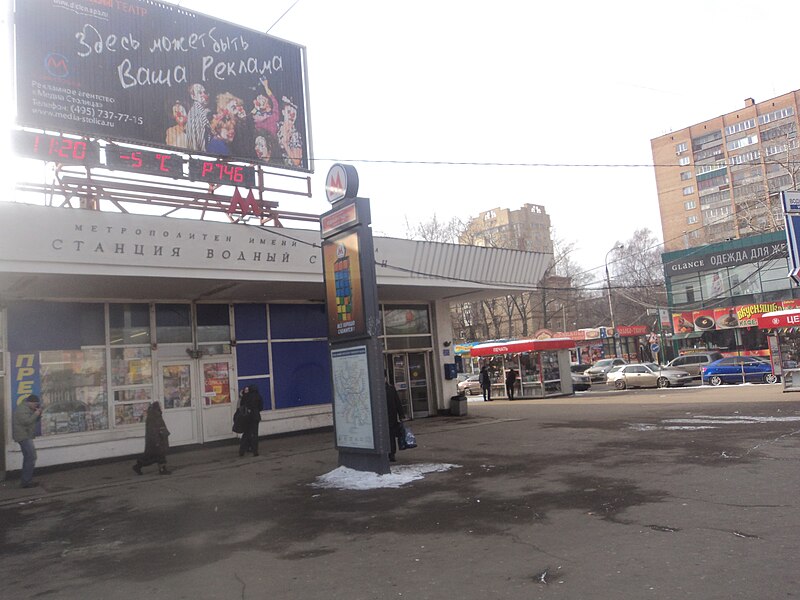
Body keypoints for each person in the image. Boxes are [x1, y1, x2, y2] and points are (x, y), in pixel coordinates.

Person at [133, 402, 171, 475]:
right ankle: (138, 466)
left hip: (159, 439)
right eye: (160, 406)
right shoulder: (154, 416)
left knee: (157, 456)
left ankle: (162, 469)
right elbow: (153, 430)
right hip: (157, 440)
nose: (161, 407)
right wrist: (156, 441)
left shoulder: (155, 415)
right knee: (154, 456)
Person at [13, 394, 43, 488]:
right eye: (35, 404)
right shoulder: (22, 409)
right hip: (23, 437)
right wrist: (36, 414)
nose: (36, 406)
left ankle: (26, 481)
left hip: (26, 436)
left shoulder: (28, 408)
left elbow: (33, 421)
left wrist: (38, 414)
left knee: (29, 457)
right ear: (30, 402)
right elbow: (26, 422)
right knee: (31, 457)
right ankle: (26, 482)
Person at [238, 385, 263, 457]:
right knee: (254, 434)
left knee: (246, 434)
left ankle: (241, 451)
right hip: (255, 417)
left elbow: (241, 405)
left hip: (246, 418)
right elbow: (261, 407)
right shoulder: (258, 396)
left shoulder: (245, 396)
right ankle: (255, 451)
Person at [385, 374, 405, 462]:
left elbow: (397, 402)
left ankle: (391, 454)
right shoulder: (375, 389)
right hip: (381, 418)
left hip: (391, 418)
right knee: (383, 437)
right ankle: (384, 453)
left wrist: (401, 415)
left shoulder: (391, 389)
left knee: (391, 436)